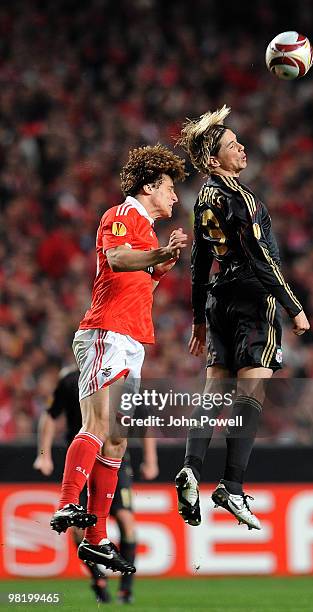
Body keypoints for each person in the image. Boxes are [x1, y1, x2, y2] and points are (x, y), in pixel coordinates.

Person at [49, 144, 187, 574]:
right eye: (168, 188)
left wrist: (159, 268)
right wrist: (157, 256)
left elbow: (136, 285)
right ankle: (68, 504)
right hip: (105, 333)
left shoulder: (145, 229)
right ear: (148, 186)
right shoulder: (122, 215)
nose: (175, 197)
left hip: (130, 340)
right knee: (98, 424)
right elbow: (116, 258)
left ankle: (96, 538)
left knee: (118, 440)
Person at [175, 106, 310, 529]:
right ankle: (232, 488)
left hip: (220, 299)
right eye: (233, 145)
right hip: (255, 299)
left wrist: (199, 318)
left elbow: (199, 262)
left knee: (214, 391)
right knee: (250, 396)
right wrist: (293, 306)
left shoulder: (202, 201)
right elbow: (260, 257)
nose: (242, 147)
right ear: (215, 160)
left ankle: (192, 468)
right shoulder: (242, 199)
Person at [34, 366, 158, 603]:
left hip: (116, 461)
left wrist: (151, 460)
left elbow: (144, 422)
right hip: (82, 459)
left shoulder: (125, 380)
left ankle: (126, 588)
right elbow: (50, 415)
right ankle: (98, 577)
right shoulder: (71, 380)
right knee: (77, 529)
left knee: (126, 520)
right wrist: (44, 453)